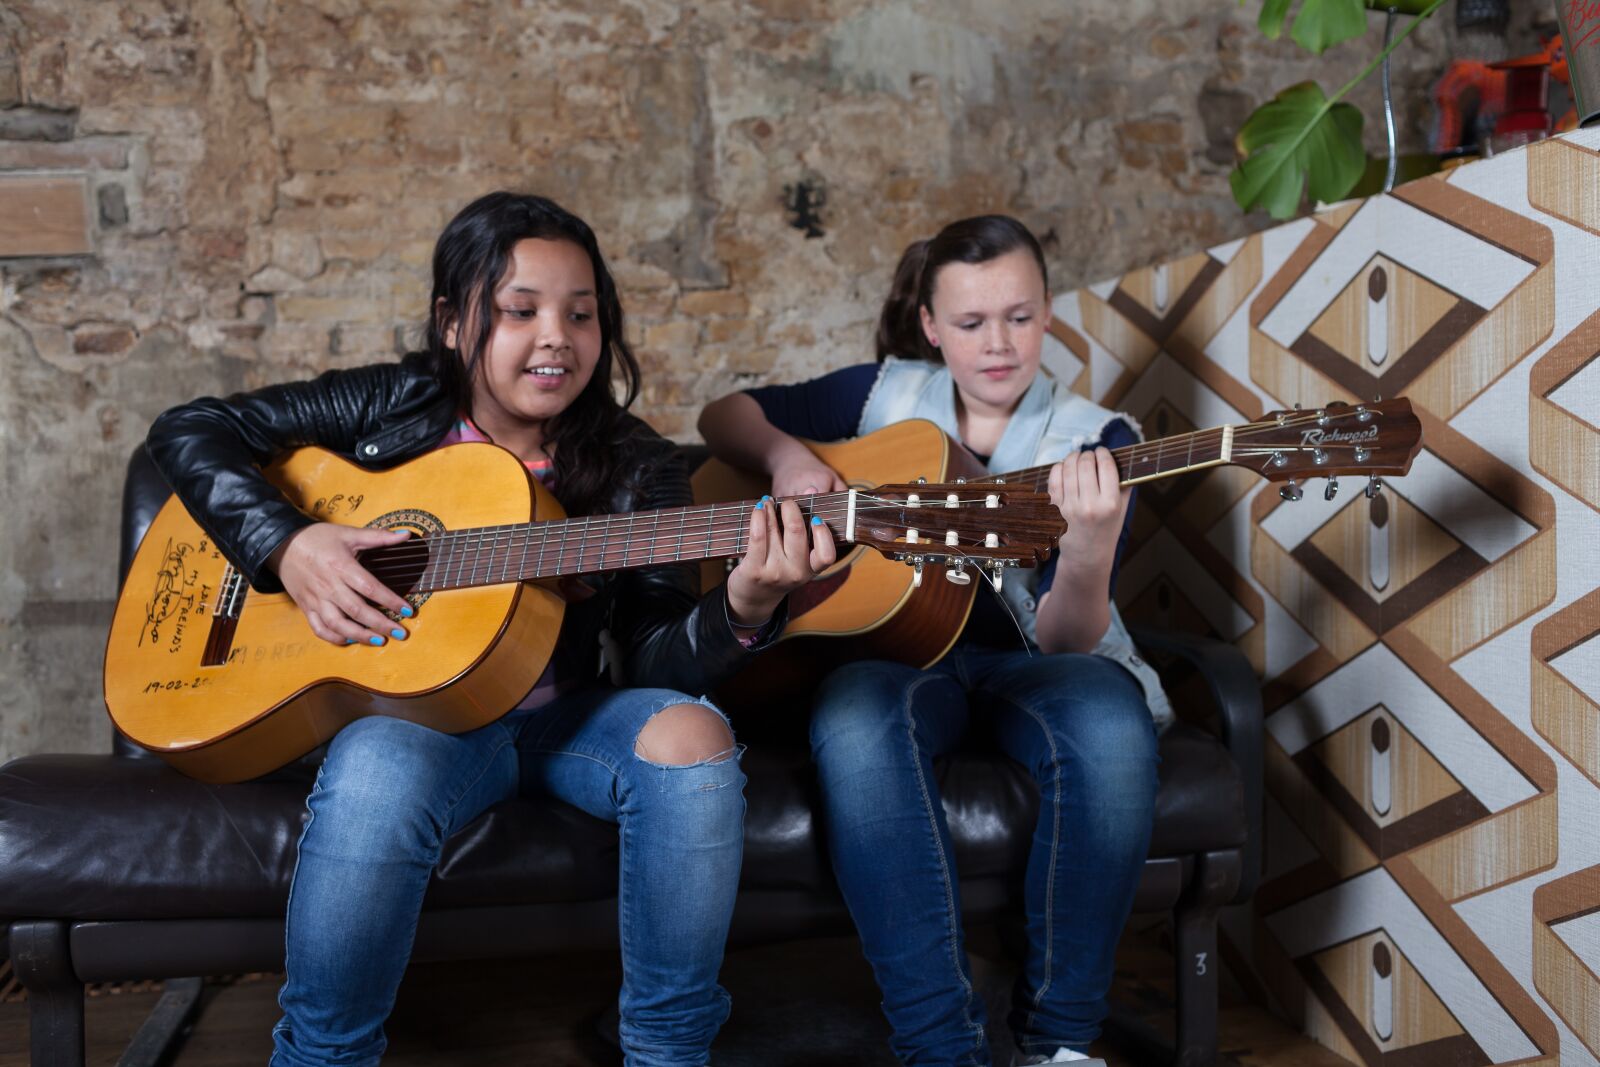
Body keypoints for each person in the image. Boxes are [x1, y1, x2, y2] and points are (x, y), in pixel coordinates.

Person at [145, 191, 835, 1067]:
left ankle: (667, 1050)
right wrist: (288, 545)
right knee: (374, 764)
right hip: (419, 720)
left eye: (581, 314)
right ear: (451, 320)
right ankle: (322, 1057)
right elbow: (190, 428)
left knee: (695, 737)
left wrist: (744, 605)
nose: (557, 336)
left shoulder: (640, 466)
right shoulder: (389, 405)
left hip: (566, 720)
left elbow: (661, 658)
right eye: (520, 310)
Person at [698, 215, 1169, 1067]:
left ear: (1051, 311)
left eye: (1020, 317)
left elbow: (1065, 639)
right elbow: (719, 414)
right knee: (852, 714)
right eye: (970, 323)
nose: (998, 344)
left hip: (1037, 661)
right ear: (928, 326)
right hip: (900, 658)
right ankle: (940, 1047)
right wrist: (784, 459)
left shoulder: (1097, 441)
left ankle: (1059, 1043)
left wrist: (1092, 544)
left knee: (1109, 721)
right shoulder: (880, 397)